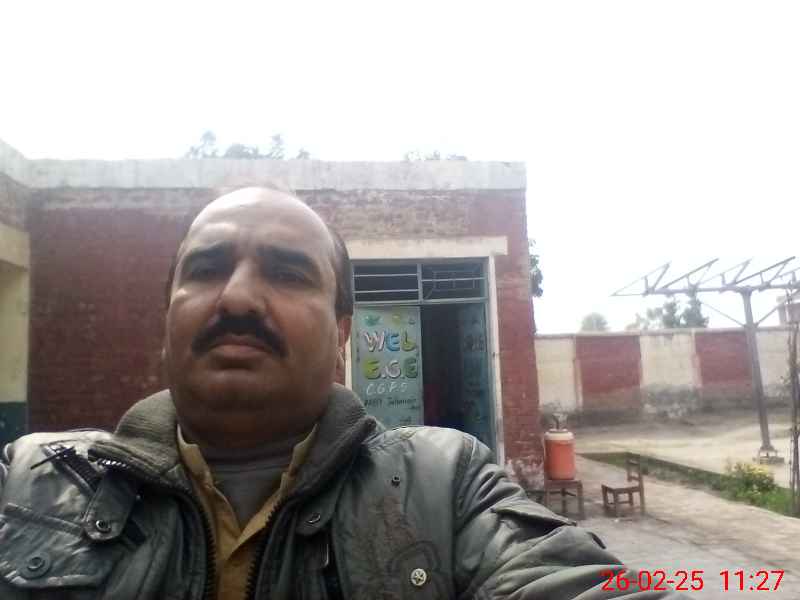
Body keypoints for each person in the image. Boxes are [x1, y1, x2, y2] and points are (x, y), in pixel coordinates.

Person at [0, 187, 686, 599]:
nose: (236, 297)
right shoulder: (32, 482)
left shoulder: (444, 487)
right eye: (206, 269)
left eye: (288, 273)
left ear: (342, 335)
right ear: (167, 317)